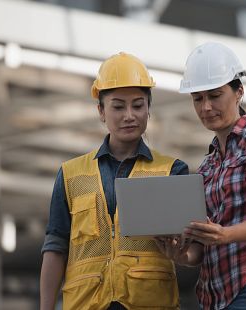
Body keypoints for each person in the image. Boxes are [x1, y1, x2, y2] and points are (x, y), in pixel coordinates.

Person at [39, 52, 189, 310]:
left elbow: (189, 249)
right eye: (118, 106)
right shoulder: (70, 174)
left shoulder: (172, 171)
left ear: (149, 109)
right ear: (101, 111)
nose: (129, 115)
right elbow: (55, 246)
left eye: (138, 105)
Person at [156, 42, 246, 310]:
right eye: (198, 98)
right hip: (213, 296)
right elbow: (201, 250)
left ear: (239, 91)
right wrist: (180, 253)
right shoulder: (207, 166)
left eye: (215, 95)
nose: (206, 107)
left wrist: (224, 235)